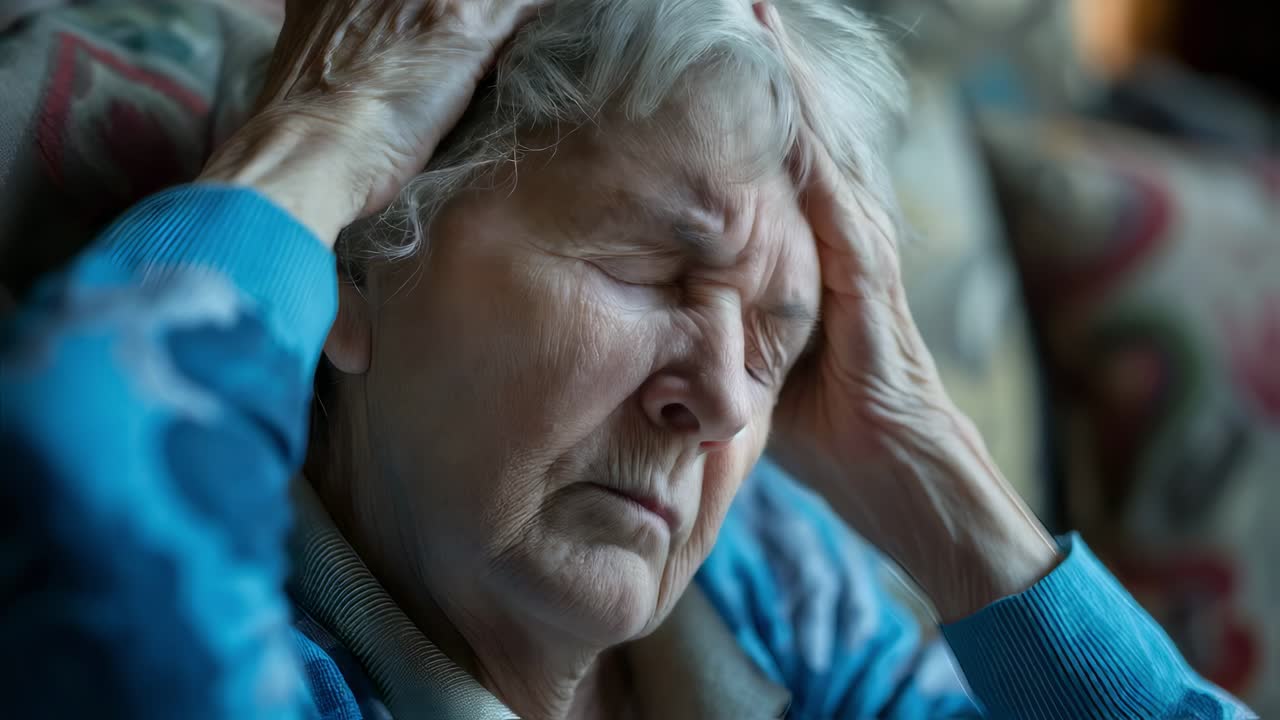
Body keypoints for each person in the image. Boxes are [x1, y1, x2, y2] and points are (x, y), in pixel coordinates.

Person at [0, 0, 1258, 718]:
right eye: (653, 272)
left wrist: (933, 473)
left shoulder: (767, 593)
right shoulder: (258, 651)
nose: (717, 401)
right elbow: (82, 480)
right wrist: (319, 144)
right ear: (361, 259)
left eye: (775, 344)